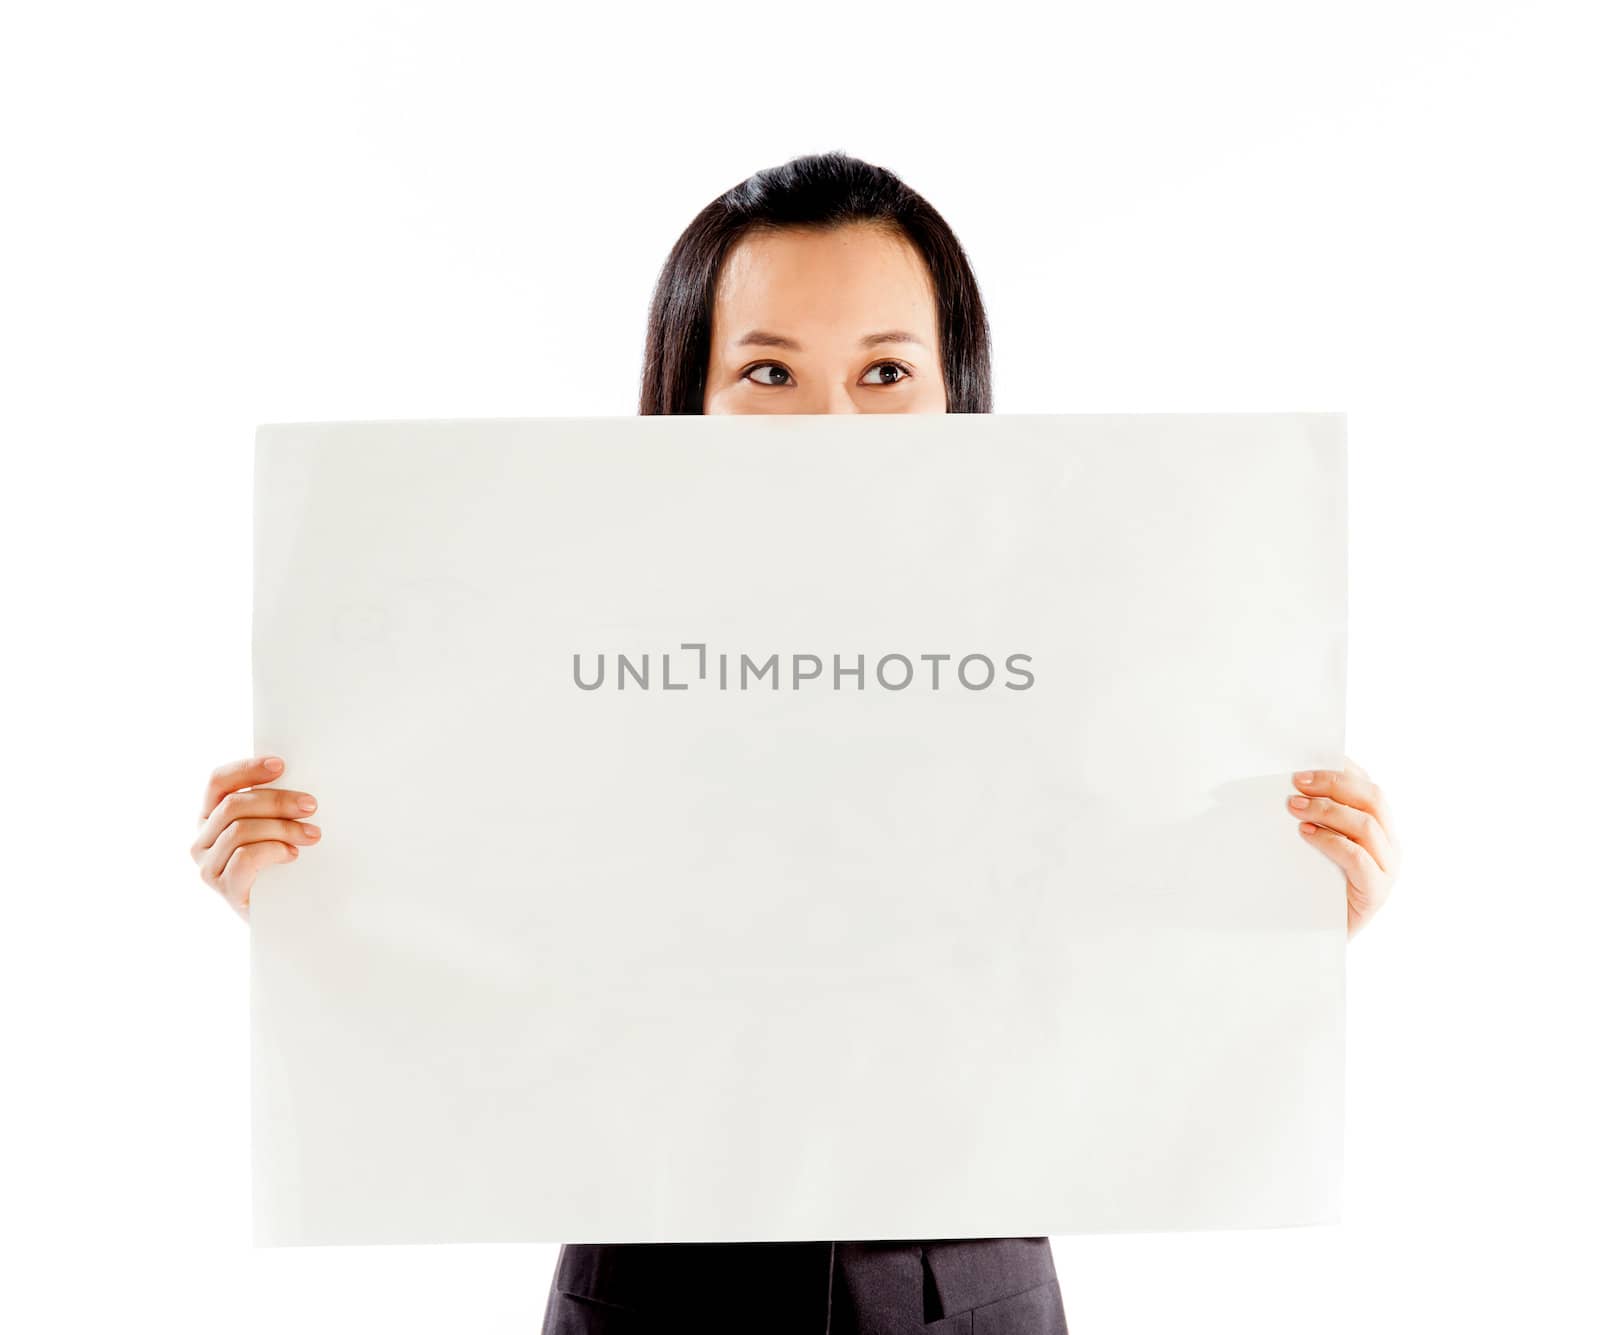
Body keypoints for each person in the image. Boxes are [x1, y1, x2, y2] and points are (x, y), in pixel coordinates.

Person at [191, 152, 1403, 1334]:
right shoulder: (549, 651)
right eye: (769, 371)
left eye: (885, 371)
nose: (832, 420)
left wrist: (1272, 921)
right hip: (650, 1291)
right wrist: (326, 907)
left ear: (953, 392)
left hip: (961, 1287)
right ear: (689, 393)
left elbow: (1092, 969)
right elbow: (500, 964)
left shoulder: (1094, 658)